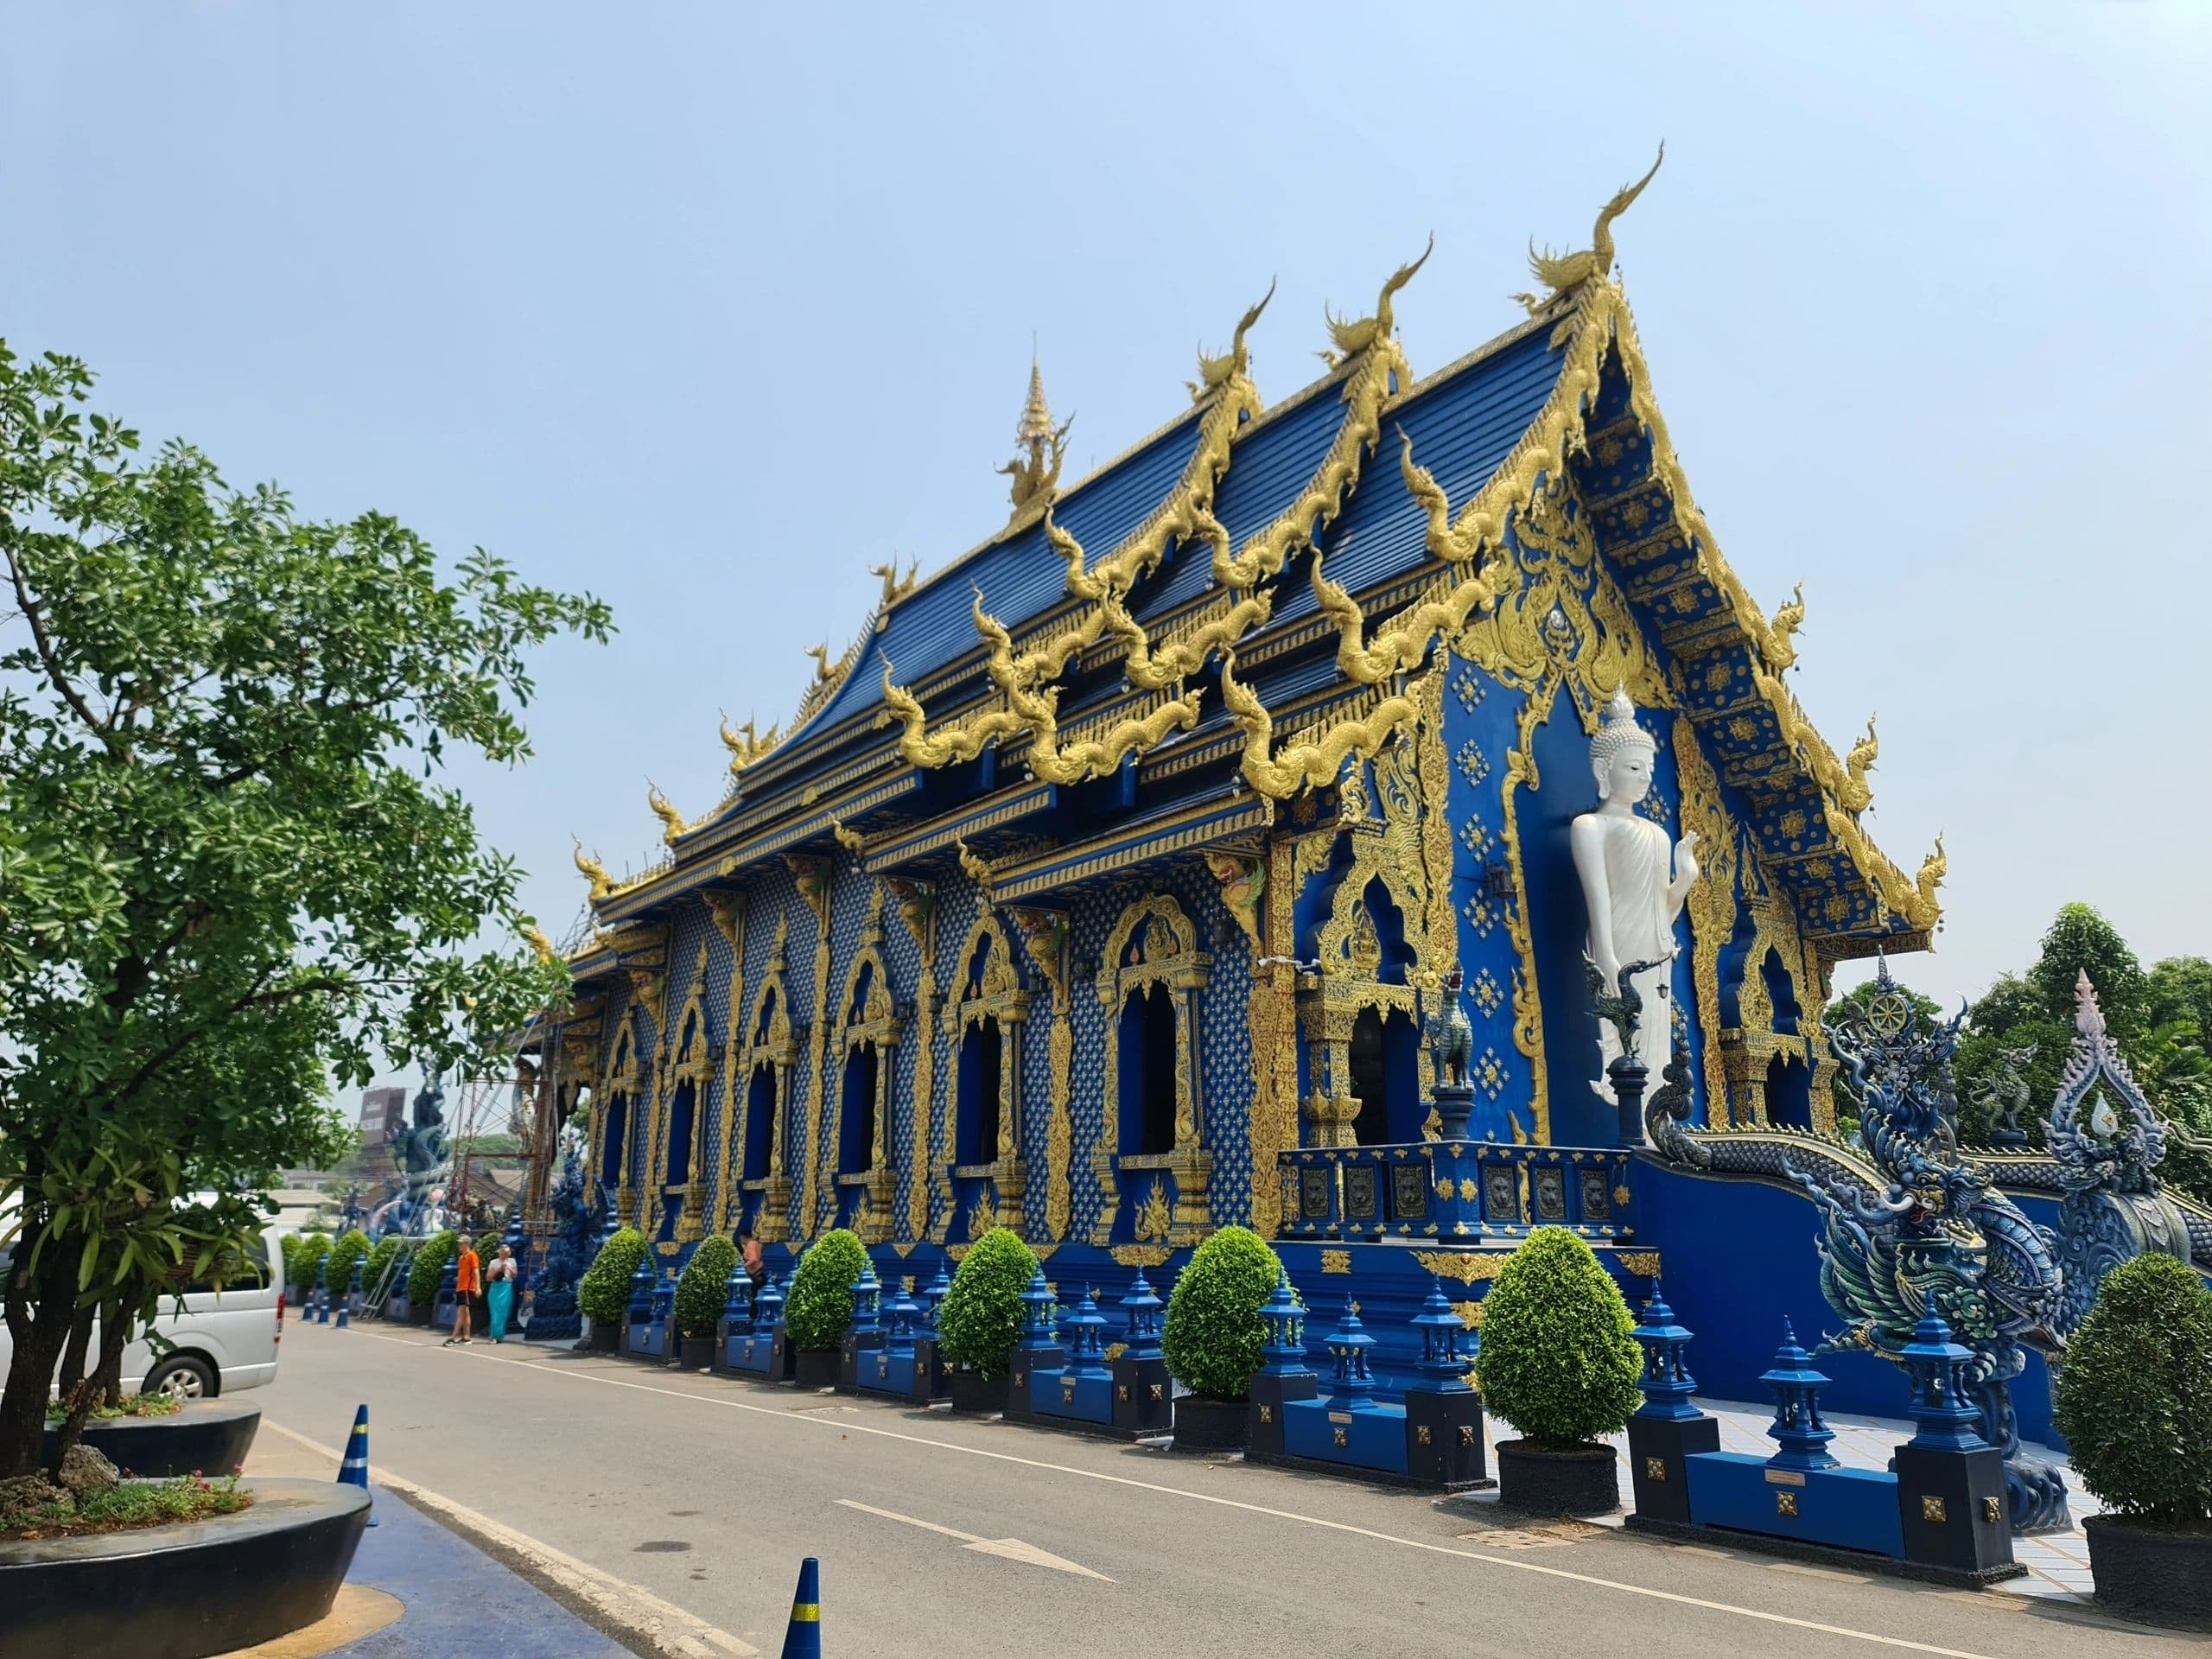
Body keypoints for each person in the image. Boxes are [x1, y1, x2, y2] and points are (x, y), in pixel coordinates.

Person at [444, 1236, 480, 1346]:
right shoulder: (462, 1257)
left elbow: (476, 1271)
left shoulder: (472, 1255)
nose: (459, 1246)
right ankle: (466, 1337)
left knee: (461, 1312)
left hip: (467, 1288)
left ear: (467, 1244)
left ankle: (453, 1337)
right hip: (461, 1287)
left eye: (461, 1243)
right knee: (465, 1313)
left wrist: (478, 1287)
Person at [485, 1243, 518, 1343]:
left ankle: (500, 1335)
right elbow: (488, 1278)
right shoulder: (494, 1262)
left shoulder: (512, 1261)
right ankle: (494, 1335)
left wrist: (509, 1268)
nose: (504, 1255)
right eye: (502, 1253)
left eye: (506, 1253)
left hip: (506, 1286)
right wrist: (499, 1269)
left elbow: (515, 1275)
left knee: (504, 1312)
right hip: (495, 1287)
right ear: (499, 1253)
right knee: (495, 1311)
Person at [739, 1229, 766, 1293]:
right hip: (756, 1275)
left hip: (756, 1276)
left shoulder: (751, 1244)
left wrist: (743, 1266)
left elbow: (754, 1259)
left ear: (743, 1237)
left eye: (741, 1238)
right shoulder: (753, 1244)